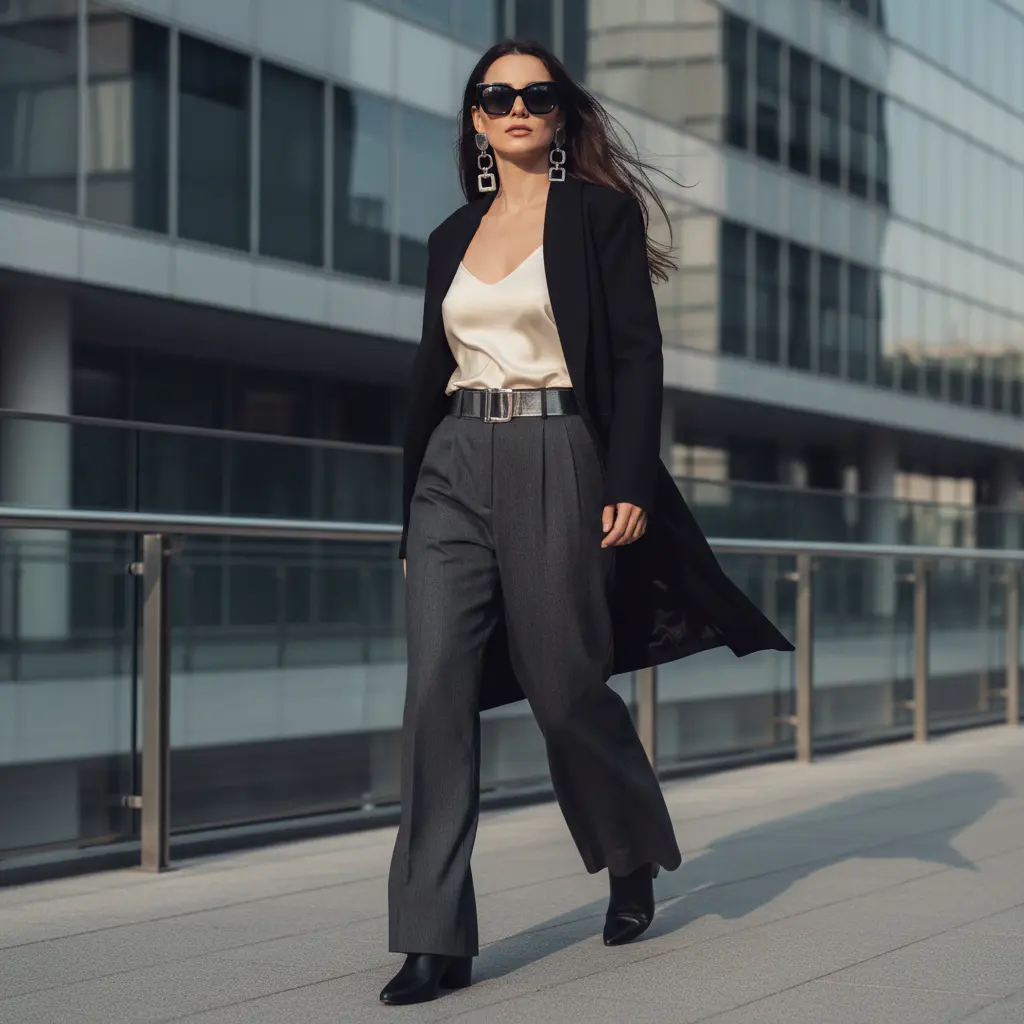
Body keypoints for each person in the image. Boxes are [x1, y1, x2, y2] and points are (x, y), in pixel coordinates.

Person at [380, 39, 794, 1006]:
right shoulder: (450, 236)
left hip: (558, 449)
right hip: (452, 464)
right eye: (497, 96)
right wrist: (408, 515)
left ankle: (629, 850)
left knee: (564, 687)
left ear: (562, 114)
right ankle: (432, 938)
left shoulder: (598, 216)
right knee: (433, 690)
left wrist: (629, 480)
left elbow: (640, 357)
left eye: (537, 94)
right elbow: (429, 371)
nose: (517, 107)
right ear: (477, 120)